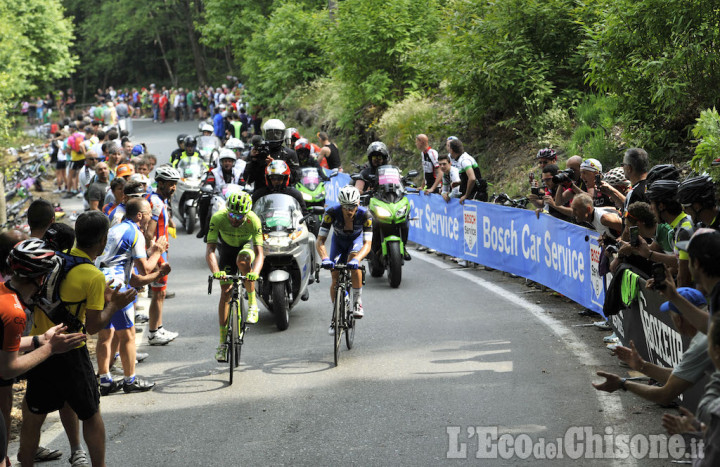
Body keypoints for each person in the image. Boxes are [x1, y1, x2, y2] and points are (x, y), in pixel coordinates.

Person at [18, 214, 137, 467]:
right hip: (72, 352)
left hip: (41, 348)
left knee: (33, 415)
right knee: (91, 414)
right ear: (103, 241)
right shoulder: (91, 275)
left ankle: (25, 462)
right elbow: (94, 326)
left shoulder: (52, 259)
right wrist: (114, 304)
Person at [1, 240, 88, 466]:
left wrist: (40, 339)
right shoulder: (15, 314)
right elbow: (8, 368)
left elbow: (4, 345)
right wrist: (50, 349)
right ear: (40, 279)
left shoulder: (3, 296)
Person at [95, 198, 169, 395]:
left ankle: (104, 380)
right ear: (139, 216)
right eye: (148, 214)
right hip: (117, 286)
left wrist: (151, 252)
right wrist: (158, 252)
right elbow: (144, 269)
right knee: (127, 335)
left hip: (98, 282)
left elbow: (130, 266)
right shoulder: (135, 232)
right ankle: (130, 381)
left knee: (105, 335)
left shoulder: (115, 229)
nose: (150, 218)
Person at [592, 287, 713, 407]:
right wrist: (642, 366)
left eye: (671, 317)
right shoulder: (712, 326)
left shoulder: (701, 343)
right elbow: (679, 376)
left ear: (678, 319)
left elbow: (664, 395)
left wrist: (622, 383)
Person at [206, 192, 264, 361]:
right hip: (226, 250)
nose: (235, 219)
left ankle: (253, 304)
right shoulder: (218, 218)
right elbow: (210, 250)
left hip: (245, 247)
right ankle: (223, 343)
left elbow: (260, 253)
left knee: (244, 261)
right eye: (231, 214)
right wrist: (216, 271)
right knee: (225, 292)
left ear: (247, 214)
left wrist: (255, 273)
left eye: (240, 216)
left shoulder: (253, 220)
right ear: (227, 210)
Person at [316, 186, 372, 332]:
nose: (349, 210)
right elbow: (320, 240)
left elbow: (367, 244)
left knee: (354, 258)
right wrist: (325, 258)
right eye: (345, 207)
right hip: (339, 242)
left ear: (358, 203)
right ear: (340, 205)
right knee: (334, 275)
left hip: (356, 241)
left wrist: (357, 259)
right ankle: (335, 316)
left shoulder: (365, 215)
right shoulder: (331, 213)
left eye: (352, 206)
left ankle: (357, 301)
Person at [144, 166, 180, 345]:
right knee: (158, 293)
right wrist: (155, 254)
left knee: (161, 293)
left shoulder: (157, 199)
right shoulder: (157, 203)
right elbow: (149, 233)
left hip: (160, 251)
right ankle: (153, 333)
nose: (173, 187)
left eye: (175, 184)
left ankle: (158, 328)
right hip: (158, 253)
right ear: (161, 183)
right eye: (171, 184)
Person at [638, 180, 694, 288]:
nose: (650, 208)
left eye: (652, 203)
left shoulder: (684, 231)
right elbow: (680, 262)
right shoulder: (680, 224)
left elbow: (683, 276)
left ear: (661, 206)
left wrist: (649, 254)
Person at [196, 149, 244, 239]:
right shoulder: (214, 172)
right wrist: (209, 187)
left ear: (233, 162)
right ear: (221, 162)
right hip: (218, 197)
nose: (227, 163)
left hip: (235, 199)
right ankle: (204, 230)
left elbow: (243, 184)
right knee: (204, 200)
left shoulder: (238, 173)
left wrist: (247, 188)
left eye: (229, 161)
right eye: (225, 161)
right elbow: (209, 182)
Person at [447, 138, 487, 203]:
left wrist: (466, 195)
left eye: (448, 146)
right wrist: (459, 183)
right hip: (472, 192)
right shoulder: (460, 159)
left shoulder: (464, 160)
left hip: (476, 194)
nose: (447, 149)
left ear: (451, 150)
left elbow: (472, 178)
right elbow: (467, 177)